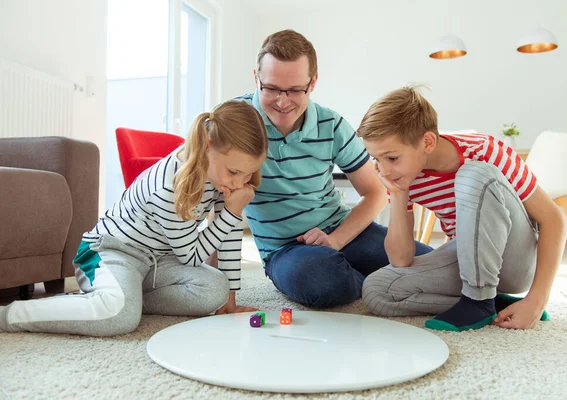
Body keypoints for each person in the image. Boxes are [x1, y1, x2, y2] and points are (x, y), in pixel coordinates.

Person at [0, 100, 268, 336]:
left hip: (159, 260)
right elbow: (191, 256)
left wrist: (229, 301)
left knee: (214, 290)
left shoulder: (221, 177)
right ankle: (10, 315)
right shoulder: (170, 184)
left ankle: (123, 297)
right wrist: (232, 212)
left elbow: (228, 237)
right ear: (209, 145)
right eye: (234, 172)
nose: (240, 183)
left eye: (248, 174)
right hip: (101, 251)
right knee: (119, 317)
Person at [237, 30, 433, 308]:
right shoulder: (235, 120)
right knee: (322, 281)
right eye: (270, 88)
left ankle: (378, 277)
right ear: (256, 77)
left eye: (295, 90)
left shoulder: (331, 124)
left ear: (313, 82)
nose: (282, 101)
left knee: (429, 263)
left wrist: (336, 240)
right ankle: (382, 282)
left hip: (343, 231)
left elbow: (375, 193)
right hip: (285, 251)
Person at [357, 86, 567, 331]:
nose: (383, 170)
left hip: (515, 260)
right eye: (376, 159)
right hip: (469, 260)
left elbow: (554, 219)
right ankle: (490, 301)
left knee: (474, 173)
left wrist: (536, 300)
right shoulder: (403, 175)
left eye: (391, 158)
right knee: (377, 291)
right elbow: (401, 259)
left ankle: (478, 302)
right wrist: (399, 194)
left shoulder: (483, 151)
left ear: (427, 142)